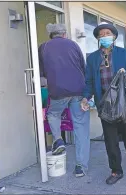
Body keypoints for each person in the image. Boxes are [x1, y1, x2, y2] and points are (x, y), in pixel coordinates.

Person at [81, 22, 126, 185]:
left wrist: (123, 73)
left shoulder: (123, 53)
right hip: (105, 104)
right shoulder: (92, 58)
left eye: (108, 33)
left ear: (114, 37)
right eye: (102, 34)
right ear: (99, 38)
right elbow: (89, 81)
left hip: (123, 102)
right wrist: (86, 97)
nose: (105, 36)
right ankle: (116, 170)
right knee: (110, 139)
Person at [38, 23, 90, 177]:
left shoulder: (44, 47)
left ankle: (58, 139)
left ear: (51, 35)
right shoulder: (74, 45)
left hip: (58, 91)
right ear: (64, 34)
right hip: (78, 90)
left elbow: (41, 74)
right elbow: (83, 67)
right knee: (81, 128)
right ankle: (81, 167)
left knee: (53, 114)